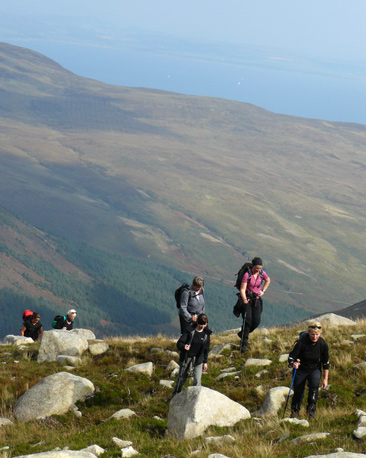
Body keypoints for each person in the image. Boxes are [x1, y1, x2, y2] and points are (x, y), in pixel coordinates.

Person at [288, 321, 329, 419]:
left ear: (320, 334)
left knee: (314, 388)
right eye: (312, 334)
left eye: (317, 335)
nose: (314, 337)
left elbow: (326, 363)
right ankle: (294, 413)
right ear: (308, 333)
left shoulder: (322, 344)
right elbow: (291, 357)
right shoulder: (302, 343)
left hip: (314, 369)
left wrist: (325, 379)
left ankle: (311, 412)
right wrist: (293, 363)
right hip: (301, 369)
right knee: (298, 391)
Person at [172, 313, 211, 398]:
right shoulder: (189, 331)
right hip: (187, 358)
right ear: (197, 322)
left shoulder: (206, 334)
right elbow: (179, 343)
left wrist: (205, 362)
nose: (203, 326)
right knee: (182, 379)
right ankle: (175, 397)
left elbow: (206, 349)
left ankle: (195, 400)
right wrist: (184, 346)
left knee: (197, 381)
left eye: (205, 324)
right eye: (201, 324)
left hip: (198, 359)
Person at [238, 256, 270, 352]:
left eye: (260, 268)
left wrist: (263, 290)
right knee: (247, 321)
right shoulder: (247, 275)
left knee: (256, 321)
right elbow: (242, 289)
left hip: (256, 299)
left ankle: (242, 334)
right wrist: (244, 299)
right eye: (256, 268)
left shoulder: (261, 273)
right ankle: (243, 344)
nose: (258, 270)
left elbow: (268, 280)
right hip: (247, 299)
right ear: (253, 266)